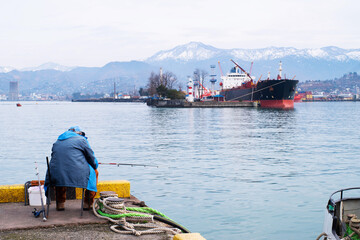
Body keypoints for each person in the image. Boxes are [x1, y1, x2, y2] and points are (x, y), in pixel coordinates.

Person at [45, 126, 98, 211]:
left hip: (55, 174)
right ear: (79, 133)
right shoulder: (82, 140)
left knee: (61, 173)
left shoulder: (57, 141)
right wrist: (95, 166)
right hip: (77, 174)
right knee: (94, 172)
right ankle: (88, 203)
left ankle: (60, 203)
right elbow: (91, 158)